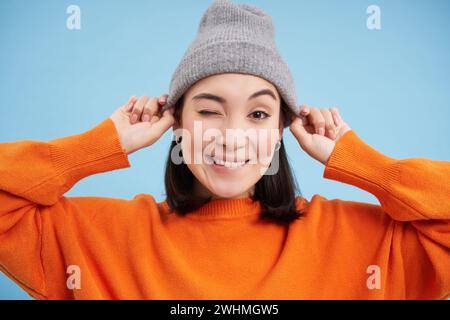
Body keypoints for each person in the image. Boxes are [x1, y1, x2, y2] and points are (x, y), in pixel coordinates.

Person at [0, 0, 449, 300]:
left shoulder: (363, 242)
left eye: (257, 115)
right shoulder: (101, 236)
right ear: (175, 124)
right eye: (210, 111)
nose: (233, 136)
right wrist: (96, 146)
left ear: (281, 131)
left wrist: (365, 165)